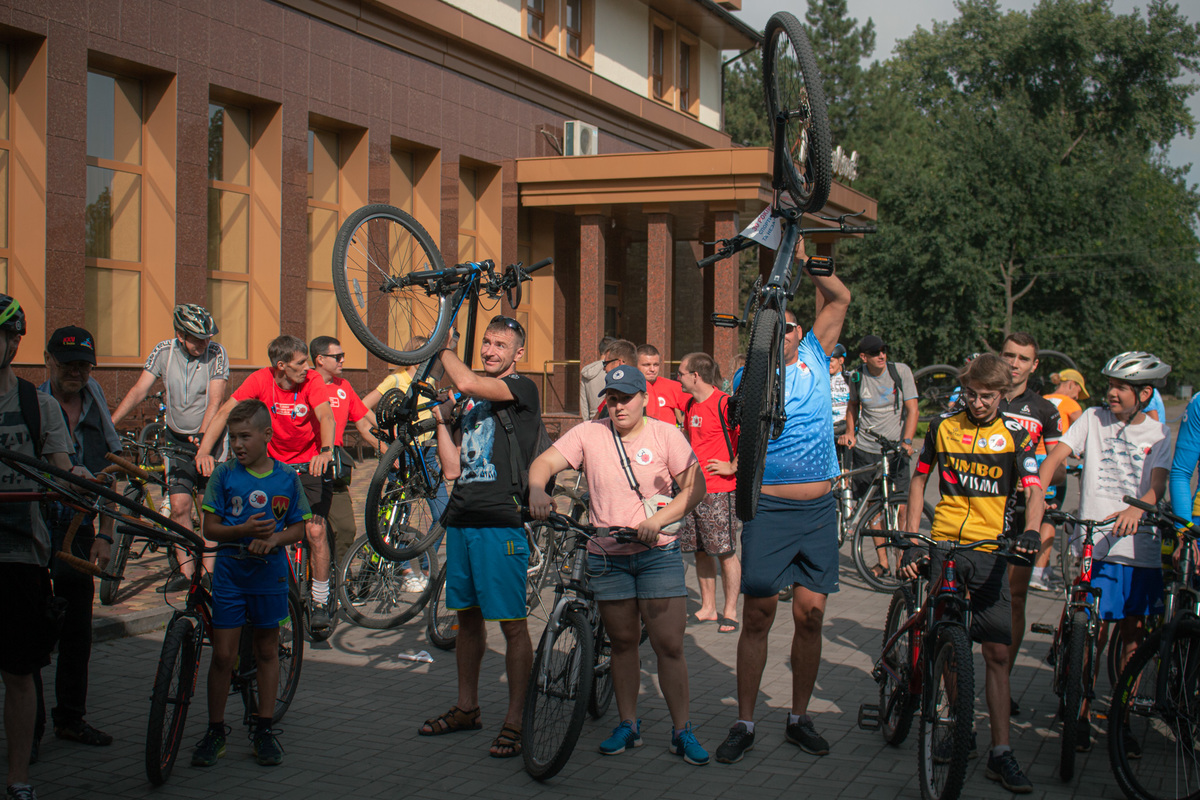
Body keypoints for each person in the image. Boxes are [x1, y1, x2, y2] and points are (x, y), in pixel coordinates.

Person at [529, 366, 709, 764]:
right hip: (607, 555)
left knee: (669, 645)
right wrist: (537, 489)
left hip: (657, 554)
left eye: (626, 397)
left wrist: (658, 521)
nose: (619, 405)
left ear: (644, 398)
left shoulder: (665, 435)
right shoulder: (588, 434)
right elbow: (543, 463)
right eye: (612, 398)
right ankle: (629, 725)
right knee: (623, 644)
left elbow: (696, 487)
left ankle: (682, 731)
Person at [714, 258, 852, 765]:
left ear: (799, 332)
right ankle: (745, 722)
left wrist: (811, 263)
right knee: (759, 615)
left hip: (818, 513)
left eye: (791, 326)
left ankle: (798, 718)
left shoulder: (816, 352)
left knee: (811, 617)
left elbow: (840, 298)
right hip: (770, 509)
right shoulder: (749, 375)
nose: (785, 333)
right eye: (775, 326)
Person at [903, 353, 1044, 794]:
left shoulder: (1017, 435)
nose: (978, 403)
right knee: (948, 641)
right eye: (971, 394)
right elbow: (918, 480)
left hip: (989, 550)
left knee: (997, 654)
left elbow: (1034, 491)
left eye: (987, 396)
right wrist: (913, 536)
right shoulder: (942, 426)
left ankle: (1002, 753)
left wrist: (1033, 530)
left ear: (1002, 394)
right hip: (946, 545)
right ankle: (957, 727)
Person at [417, 315, 541, 759]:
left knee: (512, 624)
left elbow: (466, 380)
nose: (490, 350)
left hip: (500, 521)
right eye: (487, 342)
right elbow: (452, 469)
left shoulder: (522, 388)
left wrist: (441, 346)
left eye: (500, 345)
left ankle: (516, 719)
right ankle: (467, 707)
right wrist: (440, 421)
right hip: (462, 518)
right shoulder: (468, 401)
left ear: (518, 353)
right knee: (467, 621)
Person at [1039, 351, 1171, 755]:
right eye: (1110, 385)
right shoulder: (1092, 419)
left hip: (1137, 547)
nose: (1111, 393)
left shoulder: (1159, 434)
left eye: (1121, 388)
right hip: (1094, 543)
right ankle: (1079, 712)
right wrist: (1038, 495)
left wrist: (1138, 508)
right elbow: (1056, 456)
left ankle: (1121, 719)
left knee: (1132, 637)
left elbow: (1158, 485)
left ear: (1144, 394)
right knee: (1090, 635)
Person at [191, 399, 309, 768]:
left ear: (267, 435)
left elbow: (299, 527)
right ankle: (215, 730)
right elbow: (210, 528)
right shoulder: (223, 475)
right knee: (223, 655)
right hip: (230, 574)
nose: (238, 445)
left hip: (269, 577)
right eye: (233, 437)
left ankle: (263, 728)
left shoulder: (286, 477)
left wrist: (274, 539)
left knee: (267, 650)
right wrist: (242, 530)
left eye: (245, 436)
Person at [196, 335, 335, 630]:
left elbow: (326, 415)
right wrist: (203, 452)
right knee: (265, 527)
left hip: (310, 462)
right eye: (301, 362)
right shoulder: (261, 379)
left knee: (315, 530)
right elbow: (225, 412)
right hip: (274, 467)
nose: (307, 367)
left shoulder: (312, 381)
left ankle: (321, 599)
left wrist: (326, 451)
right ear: (281, 365)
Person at [33, 327, 123, 758]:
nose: (76, 373)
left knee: (77, 630)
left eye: (84, 366)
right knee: (32, 628)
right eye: (68, 364)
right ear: (48, 360)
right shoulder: (32, 404)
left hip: (79, 527)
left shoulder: (95, 404)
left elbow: (112, 471)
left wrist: (105, 534)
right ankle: (30, 729)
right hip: (33, 526)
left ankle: (69, 717)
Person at [0, 296, 75, 800]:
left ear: (14, 342)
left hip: (21, 556)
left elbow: (62, 471)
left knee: (19, 672)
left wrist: (75, 482)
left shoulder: (37, 405)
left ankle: (18, 778)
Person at [111, 304, 228, 592]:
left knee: (207, 506)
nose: (204, 344)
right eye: (197, 339)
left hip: (209, 437)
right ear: (180, 335)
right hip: (176, 438)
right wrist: (110, 423)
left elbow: (215, 400)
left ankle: (209, 572)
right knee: (178, 507)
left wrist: (203, 439)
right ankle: (186, 573)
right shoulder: (164, 351)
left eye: (207, 338)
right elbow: (139, 390)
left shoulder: (217, 353)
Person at [995, 333, 1061, 715]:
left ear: (1034, 365)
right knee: (966, 595)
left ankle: (1002, 681)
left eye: (1023, 358)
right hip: (982, 506)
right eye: (1009, 355)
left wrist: (1035, 478)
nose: (1014, 363)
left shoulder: (1045, 409)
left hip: (1022, 511)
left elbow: (1059, 468)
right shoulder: (982, 395)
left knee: (1015, 597)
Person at [840, 334, 918, 579]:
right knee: (873, 508)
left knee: (902, 508)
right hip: (867, 449)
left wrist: (907, 441)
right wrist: (850, 432)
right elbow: (853, 406)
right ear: (864, 357)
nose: (881, 355)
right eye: (875, 353)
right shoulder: (857, 376)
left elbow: (912, 409)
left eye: (883, 350)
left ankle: (902, 562)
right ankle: (883, 563)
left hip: (896, 450)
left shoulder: (900, 372)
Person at [678, 351, 742, 633]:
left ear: (696, 376)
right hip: (694, 489)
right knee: (701, 551)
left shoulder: (725, 403)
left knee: (725, 551)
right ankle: (708, 608)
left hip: (719, 490)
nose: (677, 378)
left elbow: (749, 439)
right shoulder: (690, 405)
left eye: (681, 373)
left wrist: (732, 466)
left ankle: (731, 611)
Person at [308, 336, 379, 564]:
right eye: (337, 356)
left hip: (332, 467)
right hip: (305, 464)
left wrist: (391, 442)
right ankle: (307, 577)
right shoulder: (305, 382)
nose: (342, 360)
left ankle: (338, 577)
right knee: (307, 530)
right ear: (320, 359)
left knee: (346, 528)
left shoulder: (344, 387)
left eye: (343, 356)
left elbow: (365, 420)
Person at [1030, 368, 1088, 590]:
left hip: (1030, 458)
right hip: (1052, 461)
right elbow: (1083, 435)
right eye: (1078, 392)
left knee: (1030, 510)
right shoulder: (1070, 404)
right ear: (1072, 385)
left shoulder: (1041, 399)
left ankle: (1038, 568)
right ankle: (1037, 573)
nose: (1077, 397)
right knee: (1050, 516)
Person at [636, 344, 686, 426]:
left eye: (656, 365)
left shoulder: (672, 386)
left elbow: (696, 407)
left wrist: (686, 426)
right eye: (646, 365)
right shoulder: (628, 388)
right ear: (635, 365)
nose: (652, 369)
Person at [593, 339, 637, 420]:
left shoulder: (642, 390)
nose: (604, 368)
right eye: (613, 399)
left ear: (619, 363)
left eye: (605, 363)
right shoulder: (641, 389)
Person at [579, 335, 616, 421]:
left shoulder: (587, 371)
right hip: (610, 419)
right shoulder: (613, 369)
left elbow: (583, 403)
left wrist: (587, 422)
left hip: (593, 420)